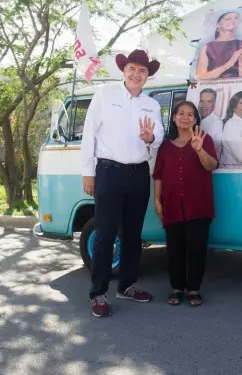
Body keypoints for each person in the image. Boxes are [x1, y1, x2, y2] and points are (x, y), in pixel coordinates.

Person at [81, 49, 165, 318]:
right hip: (108, 171)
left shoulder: (152, 105)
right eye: (132, 69)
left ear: (148, 76)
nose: (137, 74)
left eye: (142, 71)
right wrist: (87, 172)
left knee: (132, 235)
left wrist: (150, 138)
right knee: (105, 235)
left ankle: (126, 285)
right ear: (124, 70)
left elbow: (160, 138)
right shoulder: (105, 94)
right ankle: (98, 293)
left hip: (139, 173)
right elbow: (88, 133)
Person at [153, 101, 219, 307]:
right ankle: (176, 287)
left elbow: (212, 166)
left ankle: (194, 289)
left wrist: (199, 150)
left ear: (195, 119)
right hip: (172, 204)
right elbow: (158, 175)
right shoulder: (164, 145)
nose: (185, 117)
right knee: (175, 250)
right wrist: (157, 200)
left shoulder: (204, 140)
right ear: (173, 117)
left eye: (190, 114)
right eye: (181, 113)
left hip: (198, 205)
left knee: (196, 249)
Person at [196, 11, 242, 79]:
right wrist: (228, 64)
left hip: (237, 87)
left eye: (236, 18)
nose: (233, 21)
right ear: (218, 25)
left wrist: (241, 61)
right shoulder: (207, 48)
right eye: (228, 19)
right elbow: (200, 77)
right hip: (214, 88)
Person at [198, 88, 224, 157]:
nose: (204, 105)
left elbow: (212, 148)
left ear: (214, 104)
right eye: (202, 101)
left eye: (209, 102)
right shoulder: (197, 119)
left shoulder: (216, 122)